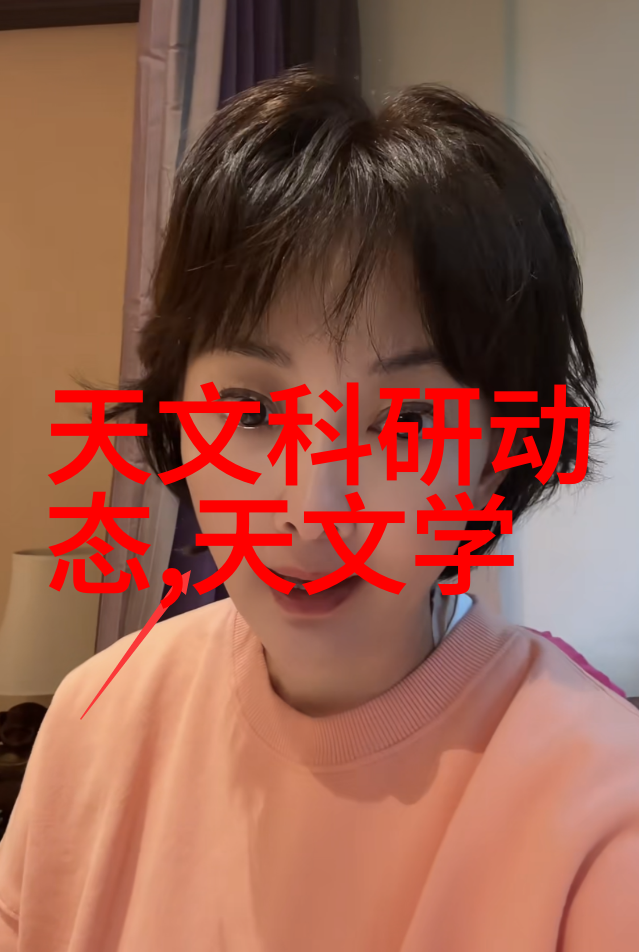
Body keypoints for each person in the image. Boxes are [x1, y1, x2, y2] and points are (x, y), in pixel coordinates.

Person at [1, 70, 638, 952]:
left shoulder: (599, 814)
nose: (311, 511)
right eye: (252, 410)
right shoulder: (94, 722)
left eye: (403, 423)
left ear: (501, 452)